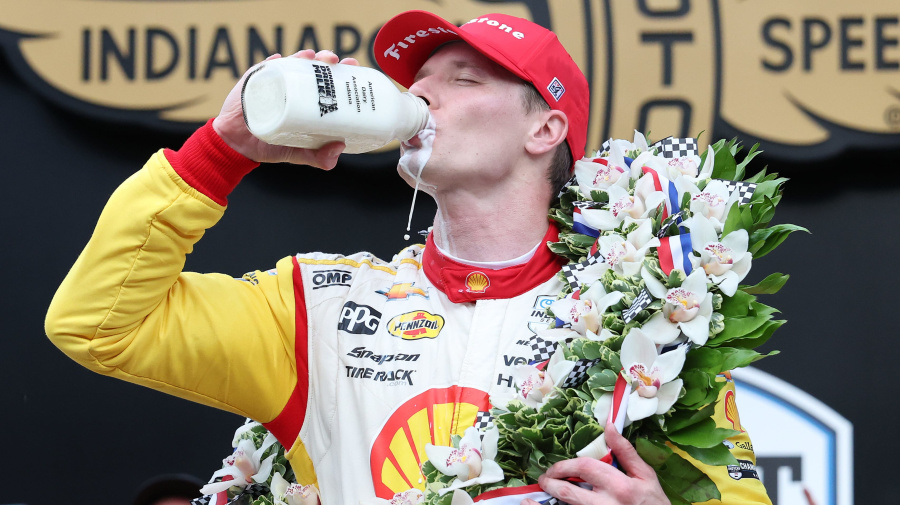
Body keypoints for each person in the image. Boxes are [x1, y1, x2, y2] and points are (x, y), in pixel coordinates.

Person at [45, 10, 770, 505]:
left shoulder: (649, 320)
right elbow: (97, 324)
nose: (420, 92)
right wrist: (221, 150)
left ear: (546, 128)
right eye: (418, 80)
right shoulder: (315, 306)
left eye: (464, 79)